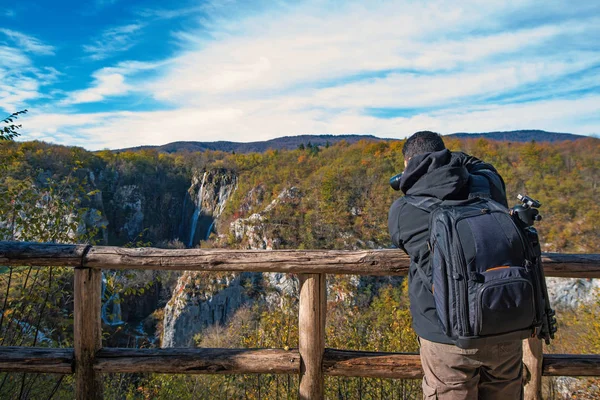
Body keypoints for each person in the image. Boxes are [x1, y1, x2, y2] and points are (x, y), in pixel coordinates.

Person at [388, 131, 523, 399]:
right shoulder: (489, 187)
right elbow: (484, 166)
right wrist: (451, 159)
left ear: (408, 164)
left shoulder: (404, 211)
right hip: (503, 326)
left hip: (445, 336)